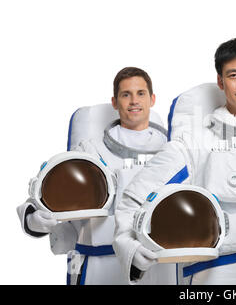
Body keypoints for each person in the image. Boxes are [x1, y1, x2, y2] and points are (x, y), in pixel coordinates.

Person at [114, 37, 236, 285]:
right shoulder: (195, 144)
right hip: (216, 275)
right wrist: (130, 248)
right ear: (221, 82)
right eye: (233, 75)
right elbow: (136, 197)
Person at [16, 67, 172, 284]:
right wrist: (35, 220)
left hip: (158, 266)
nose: (134, 101)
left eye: (141, 93)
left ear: (152, 99)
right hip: (100, 265)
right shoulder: (91, 152)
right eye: (126, 94)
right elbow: (46, 194)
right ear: (115, 102)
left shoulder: (173, 152)